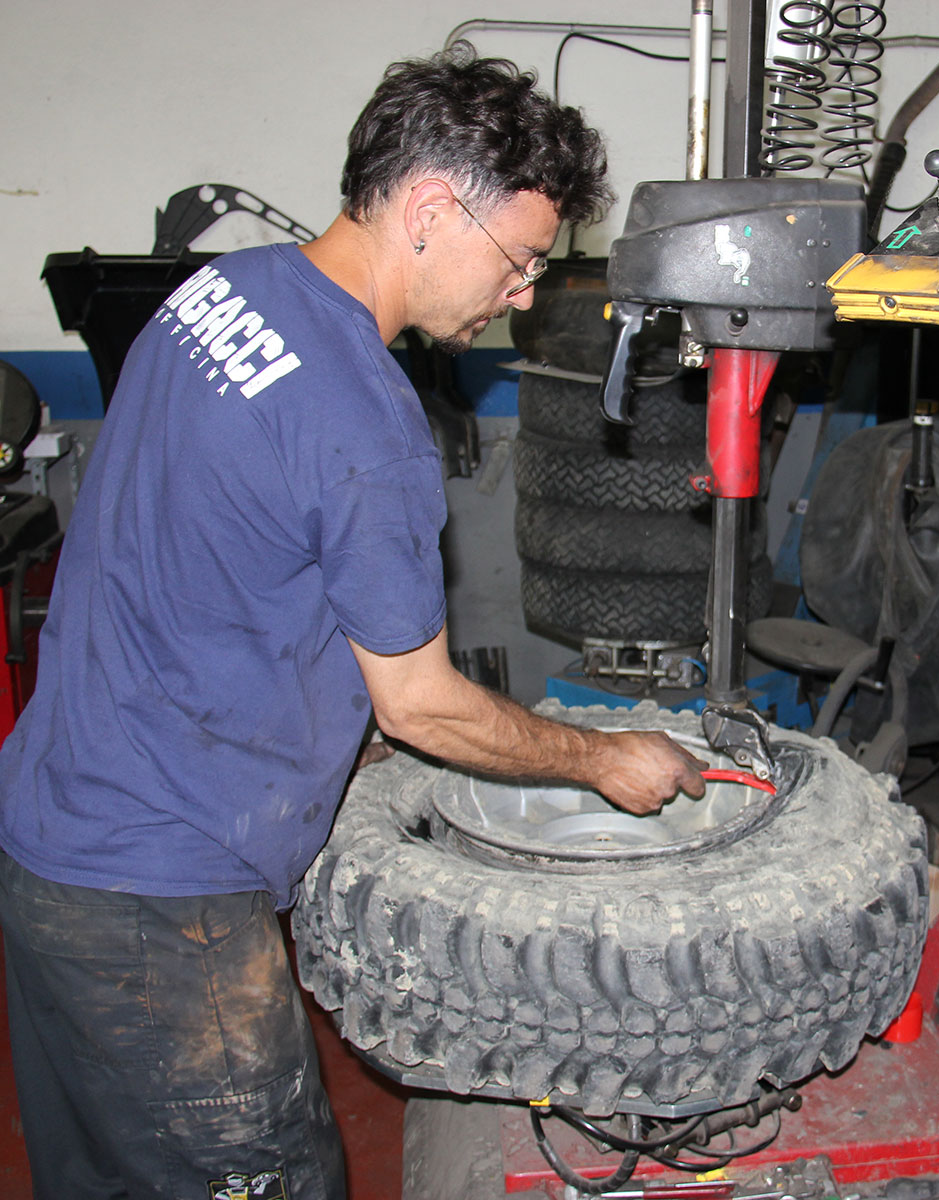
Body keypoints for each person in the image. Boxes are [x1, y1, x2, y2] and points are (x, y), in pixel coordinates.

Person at [0, 48, 706, 1199]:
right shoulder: (368, 425)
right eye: (522, 258)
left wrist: (330, 723)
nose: (522, 295)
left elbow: (212, 554)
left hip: (45, 836)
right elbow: (421, 700)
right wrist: (604, 759)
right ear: (432, 209)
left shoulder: (222, 293)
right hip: (161, 907)